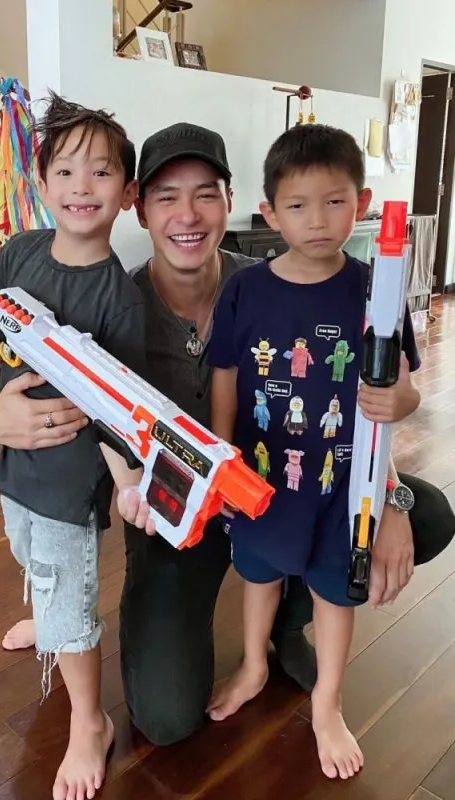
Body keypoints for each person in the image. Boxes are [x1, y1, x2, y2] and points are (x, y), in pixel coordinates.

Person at [0, 122, 455, 753]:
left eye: (206, 193)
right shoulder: (110, 302)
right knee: (166, 717)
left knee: (429, 514)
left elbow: (368, 391)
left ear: (232, 202)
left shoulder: (276, 283)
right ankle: (251, 627)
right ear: (139, 206)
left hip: (290, 485)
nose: (188, 215)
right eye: (167, 196)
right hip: (180, 518)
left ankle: (288, 620)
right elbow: (42, 377)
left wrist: (386, 497)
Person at [205, 123, 420, 781]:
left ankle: (328, 701)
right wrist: (222, 459)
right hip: (261, 477)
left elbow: (404, 388)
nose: (319, 220)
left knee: (335, 593)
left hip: (342, 483)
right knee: (258, 575)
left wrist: (399, 403)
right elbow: (225, 376)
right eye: (298, 205)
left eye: (335, 201)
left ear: (363, 202)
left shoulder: (377, 289)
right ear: (269, 213)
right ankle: (254, 665)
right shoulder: (245, 289)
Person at [0, 93, 147, 800]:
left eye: (100, 172)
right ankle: (46, 616)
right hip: (15, 464)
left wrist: (128, 483)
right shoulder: (23, 250)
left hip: (68, 482)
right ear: (41, 182)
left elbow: (120, 415)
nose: (80, 186)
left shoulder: (120, 300)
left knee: (70, 596)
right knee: (25, 552)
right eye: (64, 171)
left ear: (127, 193)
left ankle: (88, 720)